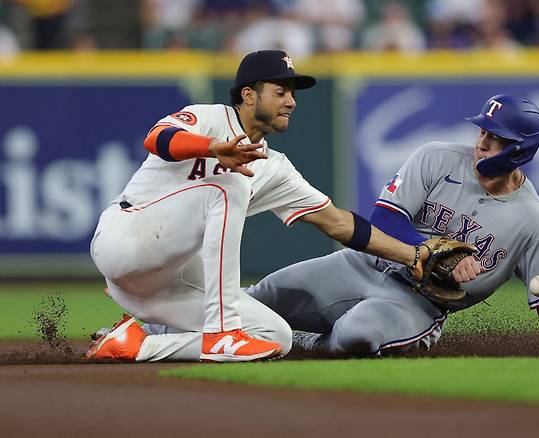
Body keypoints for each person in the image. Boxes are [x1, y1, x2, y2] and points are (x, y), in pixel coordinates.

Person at [85, 50, 447, 363]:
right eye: (280, 92)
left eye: (292, 93)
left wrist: (413, 255)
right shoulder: (208, 118)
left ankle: (138, 344)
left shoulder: (275, 167)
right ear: (248, 95)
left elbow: (338, 223)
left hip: (161, 282)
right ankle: (222, 332)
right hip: (126, 238)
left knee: (274, 337)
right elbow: (158, 138)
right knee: (229, 184)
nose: (291, 101)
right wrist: (212, 148)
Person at [247, 94, 539, 356]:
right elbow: (385, 218)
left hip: (417, 303)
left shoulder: (533, 220)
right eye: (483, 132)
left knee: (355, 336)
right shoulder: (436, 158)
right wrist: (442, 255)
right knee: (256, 300)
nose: (483, 143)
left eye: (496, 139)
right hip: (362, 264)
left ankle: (305, 344)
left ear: (521, 150)